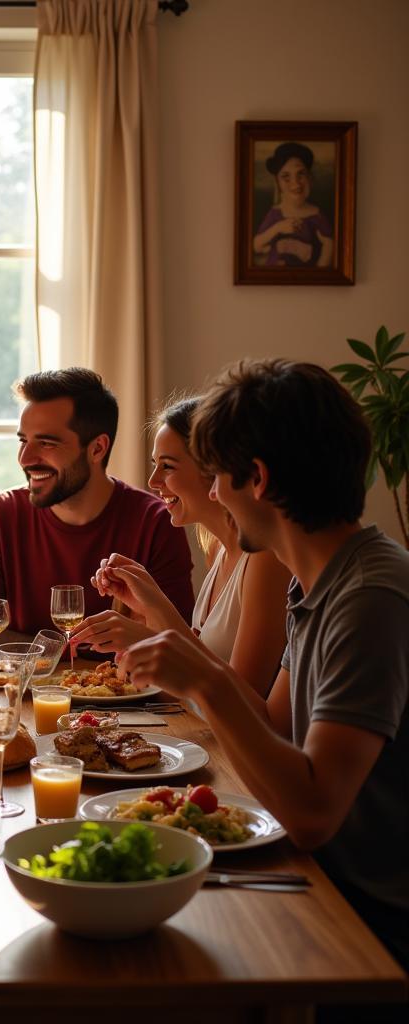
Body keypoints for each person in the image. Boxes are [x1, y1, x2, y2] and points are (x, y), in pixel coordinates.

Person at [118, 360, 409, 972]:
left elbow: (312, 815)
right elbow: (275, 729)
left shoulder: (371, 598)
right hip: (311, 881)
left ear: (258, 478)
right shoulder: (321, 584)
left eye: (218, 475)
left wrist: (202, 678)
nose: (215, 493)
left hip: (368, 922)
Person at [0, 368, 194, 655]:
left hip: (125, 699)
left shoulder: (156, 523)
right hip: (22, 698)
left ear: (97, 449)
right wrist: (70, 650)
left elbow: (177, 648)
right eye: (22, 441)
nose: (25, 458)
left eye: (46, 443)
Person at [69, 396, 291, 697]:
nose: (153, 480)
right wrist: (148, 606)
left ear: (214, 470)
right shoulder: (217, 548)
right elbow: (202, 657)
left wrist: (153, 623)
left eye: (168, 467)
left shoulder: (265, 559)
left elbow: (244, 697)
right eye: (154, 465)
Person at [253, 141, 334, 268]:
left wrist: (317, 274)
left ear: (310, 178)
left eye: (301, 174)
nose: (295, 184)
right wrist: (278, 228)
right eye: (286, 177)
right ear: (278, 183)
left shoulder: (317, 215)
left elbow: (329, 245)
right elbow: (257, 246)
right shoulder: (275, 214)